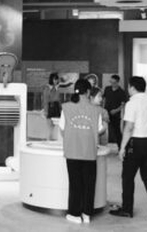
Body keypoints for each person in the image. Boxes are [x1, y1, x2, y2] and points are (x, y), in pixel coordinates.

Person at [110, 76, 147, 222]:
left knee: (128, 177)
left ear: (132, 87)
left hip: (136, 143)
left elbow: (129, 127)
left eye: (128, 87)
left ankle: (127, 209)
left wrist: (122, 148)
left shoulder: (132, 103)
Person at [58, 79, 104, 225]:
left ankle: (74, 214)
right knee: (89, 184)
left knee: (75, 183)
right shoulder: (96, 110)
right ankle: (87, 214)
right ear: (89, 92)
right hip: (89, 152)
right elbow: (99, 129)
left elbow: (62, 128)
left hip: (72, 151)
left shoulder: (66, 107)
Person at [103, 75, 128, 149]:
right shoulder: (107, 89)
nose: (112, 84)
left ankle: (121, 148)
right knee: (103, 130)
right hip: (106, 113)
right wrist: (103, 109)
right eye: (111, 82)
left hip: (115, 115)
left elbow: (122, 105)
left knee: (117, 132)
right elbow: (104, 99)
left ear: (117, 82)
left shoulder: (121, 92)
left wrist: (116, 110)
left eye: (114, 82)